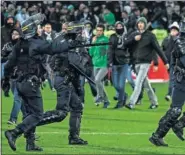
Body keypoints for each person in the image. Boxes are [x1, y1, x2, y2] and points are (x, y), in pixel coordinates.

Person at [4, 13, 69, 152]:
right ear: (33, 29)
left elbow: (8, 66)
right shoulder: (37, 43)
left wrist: (5, 83)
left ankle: (30, 144)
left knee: (29, 113)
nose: (40, 29)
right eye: (38, 27)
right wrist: (70, 43)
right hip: (30, 84)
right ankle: (14, 132)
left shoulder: (20, 44)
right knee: (37, 114)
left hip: (19, 84)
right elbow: (54, 49)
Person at [149, 20, 185, 146]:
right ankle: (157, 136)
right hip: (181, 80)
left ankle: (179, 125)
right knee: (175, 110)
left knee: (175, 110)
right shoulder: (180, 43)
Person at [125, 17, 169, 110]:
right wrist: (134, 39)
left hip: (145, 63)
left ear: (145, 24)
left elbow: (158, 49)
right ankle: (154, 102)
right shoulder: (134, 34)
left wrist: (165, 62)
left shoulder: (150, 35)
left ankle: (131, 103)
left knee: (138, 82)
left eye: (142, 23)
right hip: (136, 63)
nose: (140, 24)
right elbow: (125, 44)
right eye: (139, 23)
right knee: (146, 84)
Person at [108, 21, 129, 108]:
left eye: (121, 26)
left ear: (123, 27)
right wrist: (109, 62)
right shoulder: (112, 37)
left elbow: (130, 48)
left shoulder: (127, 37)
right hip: (115, 63)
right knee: (116, 85)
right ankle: (124, 95)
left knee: (121, 84)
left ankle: (120, 103)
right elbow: (110, 50)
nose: (119, 27)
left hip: (124, 62)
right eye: (117, 26)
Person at [89, 24, 110, 108]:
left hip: (104, 64)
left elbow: (107, 51)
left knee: (97, 80)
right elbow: (90, 53)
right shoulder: (94, 39)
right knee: (98, 82)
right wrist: (93, 43)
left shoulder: (106, 40)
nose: (98, 32)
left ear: (103, 31)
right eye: (97, 30)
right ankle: (107, 101)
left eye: (100, 30)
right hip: (96, 64)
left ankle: (100, 97)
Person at [162, 22, 180, 101]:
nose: (173, 31)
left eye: (175, 30)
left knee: (172, 79)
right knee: (174, 79)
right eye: (172, 29)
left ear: (178, 31)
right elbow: (163, 49)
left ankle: (169, 94)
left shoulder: (179, 40)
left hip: (177, 63)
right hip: (169, 62)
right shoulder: (166, 39)